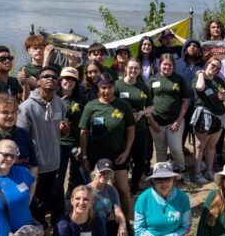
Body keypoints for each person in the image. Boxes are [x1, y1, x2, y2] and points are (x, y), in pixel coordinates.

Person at [79, 73, 136, 218]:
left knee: (123, 190)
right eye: (103, 87)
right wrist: (84, 155)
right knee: (96, 191)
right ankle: (96, 223)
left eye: (109, 87)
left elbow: (131, 130)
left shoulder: (124, 106)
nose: (106, 91)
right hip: (96, 155)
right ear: (98, 88)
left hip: (118, 155)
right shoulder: (91, 106)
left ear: (114, 87)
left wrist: (127, 152)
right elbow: (84, 132)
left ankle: (127, 223)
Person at [17, 67, 65, 224]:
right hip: (36, 165)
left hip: (55, 162)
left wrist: (66, 129)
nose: (51, 78)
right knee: (37, 204)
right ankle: (39, 234)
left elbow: (62, 132)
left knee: (55, 201)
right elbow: (22, 138)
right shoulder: (26, 107)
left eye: (54, 76)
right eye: (46, 76)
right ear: (38, 82)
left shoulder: (60, 103)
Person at [148, 53, 191, 178]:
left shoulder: (179, 79)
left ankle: (182, 170)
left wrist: (178, 120)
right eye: (164, 64)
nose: (167, 67)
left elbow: (186, 100)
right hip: (156, 122)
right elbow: (146, 102)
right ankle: (161, 174)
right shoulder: (153, 79)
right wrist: (152, 121)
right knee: (160, 150)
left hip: (175, 121)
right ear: (159, 65)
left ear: (173, 66)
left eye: (170, 65)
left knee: (176, 148)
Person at [115, 59, 153, 193]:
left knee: (141, 158)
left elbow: (151, 106)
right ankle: (122, 186)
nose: (133, 71)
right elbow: (110, 104)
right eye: (131, 68)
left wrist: (142, 113)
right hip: (122, 128)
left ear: (140, 71)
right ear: (126, 68)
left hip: (140, 128)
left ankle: (135, 185)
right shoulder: (117, 85)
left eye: (136, 68)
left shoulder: (143, 87)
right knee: (123, 157)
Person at [191, 57, 225, 184]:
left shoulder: (219, 81)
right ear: (207, 64)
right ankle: (197, 173)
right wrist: (201, 73)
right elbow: (200, 88)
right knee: (199, 146)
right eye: (213, 65)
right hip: (204, 114)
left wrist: (223, 97)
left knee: (211, 146)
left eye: (218, 68)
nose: (215, 69)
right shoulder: (198, 78)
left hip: (218, 116)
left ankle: (209, 170)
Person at [56, 66, 87, 197]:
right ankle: (58, 200)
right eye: (66, 79)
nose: (69, 82)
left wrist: (82, 145)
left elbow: (84, 125)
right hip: (58, 143)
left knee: (77, 174)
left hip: (75, 142)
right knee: (59, 175)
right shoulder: (53, 99)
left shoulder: (81, 100)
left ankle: (71, 195)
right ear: (60, 80)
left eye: (72, 80)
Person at [89, 159, 128, 236]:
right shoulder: (87, 190)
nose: (105, 175)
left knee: (122, 227)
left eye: (108, 172)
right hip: (91, 225)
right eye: (102, 172)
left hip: (105, 223)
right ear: (95, 172)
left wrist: (123, 225)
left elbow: (118, 212)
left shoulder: (112, 189)